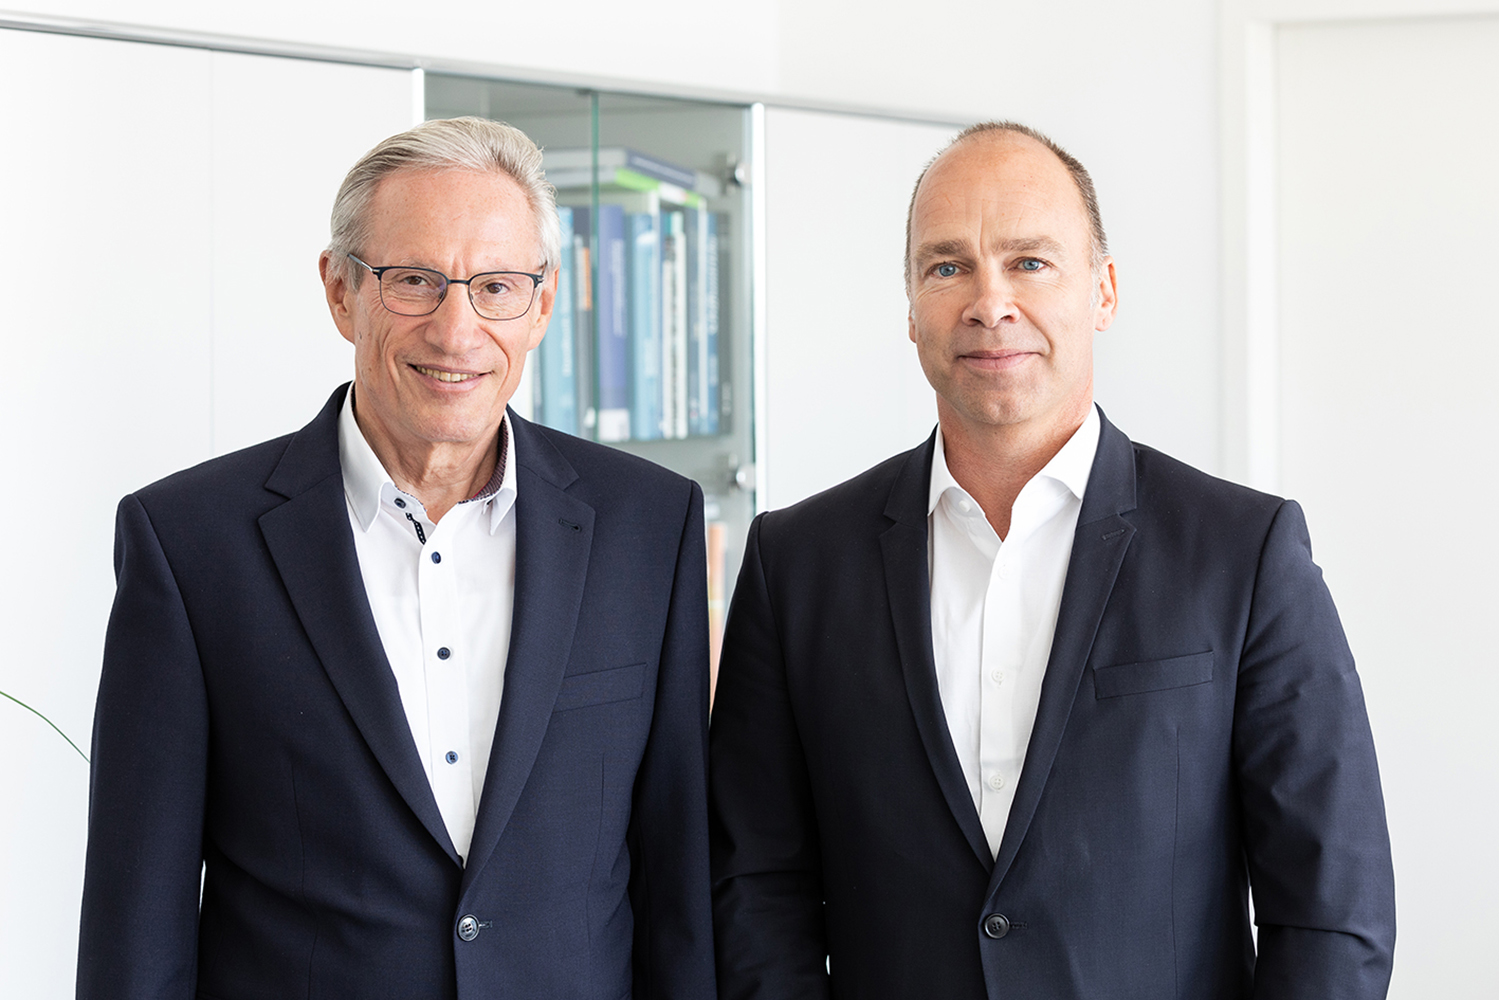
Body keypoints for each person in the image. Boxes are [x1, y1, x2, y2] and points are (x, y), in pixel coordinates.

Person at [708, 121, 1395, 999]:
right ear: (910, 309)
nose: (988, 303)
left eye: (1029, 262)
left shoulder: (1242, 551)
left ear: (1103, 290)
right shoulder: (795, 563)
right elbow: (755, 885)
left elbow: (1333, 907)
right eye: (947, 266)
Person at [78, 117, 715, 1000]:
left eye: (496, 286)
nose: (457, 333)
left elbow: (678, 879)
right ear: (341, 291)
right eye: (414, 282)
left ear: (542, 302)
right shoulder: (189, 542)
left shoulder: (651, 525)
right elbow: (134, 919)